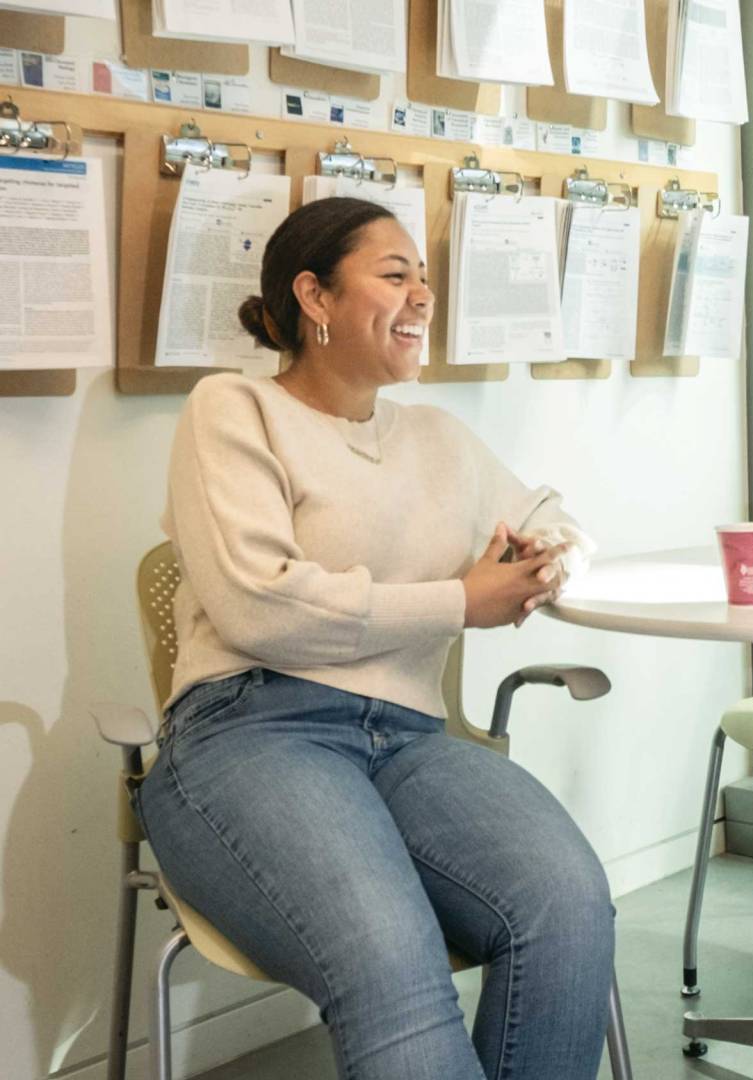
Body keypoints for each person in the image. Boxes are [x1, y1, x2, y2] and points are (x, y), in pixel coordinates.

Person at [135, 197, 615, 1080]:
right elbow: (259, 607)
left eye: (424, 276)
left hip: (406, 738)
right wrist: (457, 602)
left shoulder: (436, 435)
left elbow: (560, 522)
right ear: (313, 296)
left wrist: (551, 560)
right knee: (392, 960)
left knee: (569, 901)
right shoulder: (232, 411)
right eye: (395, 275)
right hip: (249, 731)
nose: (423, 295)